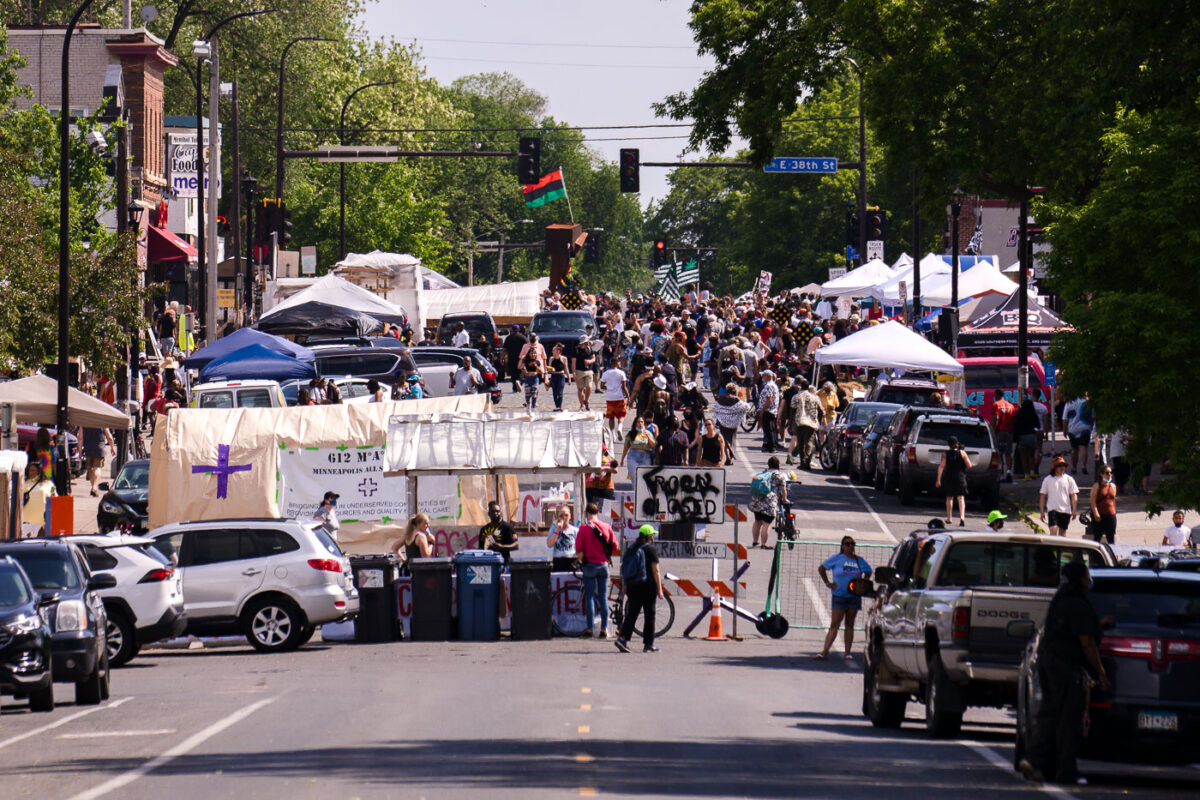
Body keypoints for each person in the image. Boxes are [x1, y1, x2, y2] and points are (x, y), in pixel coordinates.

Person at [1018, 560, 1108, 786]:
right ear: (1080, 579)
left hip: (1048, 664)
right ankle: (1066, 771)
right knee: (1070, 721)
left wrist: (1100, 623)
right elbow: (1086, 642)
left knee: (1049, 714)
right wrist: (1101, 672)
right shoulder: (1079, 604)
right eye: (1086, 576)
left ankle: (1033, 759)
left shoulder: (1060, 601)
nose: (1089, 580)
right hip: (1068, 669)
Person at [816, 536, 871, 660]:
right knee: (835, 624)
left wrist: (863, 582)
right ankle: (825, 651)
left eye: (852, 544)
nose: (850, 546)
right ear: (842, 546)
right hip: (839, 595)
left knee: (849, 624)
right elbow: (821, 568)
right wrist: (827, 582)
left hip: (854, 596)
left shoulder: (859, 560)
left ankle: (847, 653)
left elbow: (868, 571)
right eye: (847, 544)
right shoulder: (836, 558)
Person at [614, 524, 663, 654]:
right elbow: (656, 571)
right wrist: (660, 589)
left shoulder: (632, 548)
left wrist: (625, 584)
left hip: (632, 585)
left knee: (632, 613)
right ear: (650, 536)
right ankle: (648, 644)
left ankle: (622, 638)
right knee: (649, 614)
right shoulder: (651, 550)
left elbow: (625, 567)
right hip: (648, 586)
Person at [576, 502, 618, 638]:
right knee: (603, 597)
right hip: (603, 566)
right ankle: (604, 629)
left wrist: (581, 561)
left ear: (586, 514)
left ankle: (589, 628)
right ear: (597, 513)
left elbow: (579, 550)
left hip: (589, 566)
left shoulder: (583, 528)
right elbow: (615, 546)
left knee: (590, 597)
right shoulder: (606, 527)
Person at [748, 456, 789, 550]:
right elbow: (783, 490)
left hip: (756, 501)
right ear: (778, 465)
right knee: (766, 523)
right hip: (769, 502)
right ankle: (763, 544)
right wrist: (784, 499)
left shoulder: (762, 473)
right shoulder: (779, 475)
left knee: (757, 521)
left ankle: (755, 541)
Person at [712, 383, 753, 465]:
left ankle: (728, 456)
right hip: (733, 422)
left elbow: (716, 407)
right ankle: (731, 453)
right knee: (732, 439)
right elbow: (747, 407)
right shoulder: (736, 399)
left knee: (725, 439)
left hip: (722, 421)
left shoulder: (721, 398)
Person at [935, 435, 972, 527]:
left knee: (949, 498)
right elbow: (969, 465)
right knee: (961, 498)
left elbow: (941, 466)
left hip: (949, 477)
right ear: (957, 444)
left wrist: (938, 479)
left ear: (949, 445)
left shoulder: (945, 454)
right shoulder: (962, 453)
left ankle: (949, 518)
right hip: (960, 477)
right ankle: (962, 517)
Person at [1039, 457, 1079, 536]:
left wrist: (1074, 510)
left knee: (1062, 534)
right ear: (1055, 467)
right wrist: (1042, 511)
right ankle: (1052, 548)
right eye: (1059, 465)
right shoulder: (1047, 479)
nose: (1062, 467)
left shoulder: (1069, 479)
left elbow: (1074, 494)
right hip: (1052, 509)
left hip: (1065, 510)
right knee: (1053, 531)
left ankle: (1061, 548)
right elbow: (1042, 496)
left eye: (1064, 465)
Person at [790, 379, 822, 469]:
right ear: (808, 387)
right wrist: (818, 420)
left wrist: (791, 422)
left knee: (801, 443)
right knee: (809, 443)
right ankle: (807, 461)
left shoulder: (796, 397)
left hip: (800, 422)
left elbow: (792, 410)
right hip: (811, 423)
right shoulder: (814, 397)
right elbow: (820, 411)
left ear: (801, 386)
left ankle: (802, 462)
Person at [620, 415, 657, 485]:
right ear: (635, 423)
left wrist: (648, 436)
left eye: (641, 422)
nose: (640, 424)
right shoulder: (631, 434)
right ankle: (635, 492)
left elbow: (653, 445)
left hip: (645, 457)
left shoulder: (648, 433)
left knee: (645, 478)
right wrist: (622, 459)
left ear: (644, 423)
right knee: (634, 477)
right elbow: (626, 447)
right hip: (633, 456)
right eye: (638, 422)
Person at [21, 462, 55, 537]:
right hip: (26, 520)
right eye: (30, 470)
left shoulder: (49, 484)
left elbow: (54, 496)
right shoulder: (25, 483)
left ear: (39, 471)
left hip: (41, 520)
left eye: (33, 470)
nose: (31, 473)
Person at [1062, 395, 1094, 476]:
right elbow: (1092, 416)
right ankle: (1083, 466)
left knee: (1074, 449)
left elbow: (1065, 418)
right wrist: (1091, 425)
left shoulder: (1069, 403)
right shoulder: (1086, 402)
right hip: (1085, 428)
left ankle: (1074, 468)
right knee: (1083, 448)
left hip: (1072, 429)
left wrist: (1065, 430)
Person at [81, 426, 115, 497]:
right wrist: (112, 447)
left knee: (90, 468)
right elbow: (109, 437)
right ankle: (94, 487)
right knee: (97, 468)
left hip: (88, 449)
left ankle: (93, 486)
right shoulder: (102, 422)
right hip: (99, 449)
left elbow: (80, 437)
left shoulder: (85, 423)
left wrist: (79, 450)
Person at [990, 389, 1017, 481]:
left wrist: (992, 430)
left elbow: (995, 418)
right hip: (1009, 432)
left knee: (999, 453)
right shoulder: (1011, 406)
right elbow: (1014, 420)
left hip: (1000, 432)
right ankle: (1009, 471)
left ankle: (1001, 474)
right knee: (1008, 453)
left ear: (997, 395)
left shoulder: (996, 405)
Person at [600, 358, 630, 440]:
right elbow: (624, 387)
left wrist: (609, 388)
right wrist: (628, 397)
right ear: (616, 363)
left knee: (611, 416)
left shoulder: (606, 373)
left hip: (610, 398)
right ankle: (620, 427)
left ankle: (613, 433)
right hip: (619, 397)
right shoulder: (621, 373)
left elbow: (601, 385)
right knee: (621, 414)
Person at [1088, 463, 1117, 544]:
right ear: (1101, 474)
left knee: (1111, 538)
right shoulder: (1097, 486)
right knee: (1097, 537)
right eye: (1107, 473)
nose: (1109, 475)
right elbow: (1093, 501)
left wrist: (1114, 512)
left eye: (1111, 473)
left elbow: (1113, 500)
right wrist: (1096, 513)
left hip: (1111, 515)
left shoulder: (1113, 486)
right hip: (1100, 515)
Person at [545, 505, 578, 572]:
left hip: (571, 559)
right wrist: (557, 529)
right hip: (558, 560)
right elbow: (549, 544)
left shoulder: (575, 530)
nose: (564, 517)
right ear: (558, 517)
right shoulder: (553, 528)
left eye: (566, 515)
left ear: (570, 517)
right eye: (561, 515)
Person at [757, 370, 781, 452]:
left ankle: (772, 446)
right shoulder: (771, 385)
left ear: (768, 376)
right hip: (770, 409)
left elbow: (769, 399)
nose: (762, 377)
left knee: (769, 428)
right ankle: (769, 445)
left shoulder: (769, 386)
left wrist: (763, 409)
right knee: (769, 428)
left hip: (768, 410)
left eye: (764, 375)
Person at [572, 337, 597, 411]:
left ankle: (586, 400)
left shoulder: (589, 349)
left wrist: (589, 361)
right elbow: (573, 362)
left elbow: (593, 358)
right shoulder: (576, 350)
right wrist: (573, 372)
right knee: (580, 388)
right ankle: (582, 404)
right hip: (579, 370)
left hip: (588, 370)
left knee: (589, 387)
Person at [503, 324, 528, 392]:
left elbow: (504, 349)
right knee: (520, 372)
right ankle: (519, 382)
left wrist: (502, 358)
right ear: (519, 330)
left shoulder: (508, 338)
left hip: (511, 358)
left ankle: (514, 388)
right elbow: (528, 347)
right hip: (520, 358)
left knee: (513, 374)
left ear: (512, 330)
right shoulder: (523, 337)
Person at [546, 343, 569, 411]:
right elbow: (549, 368)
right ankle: (557, 406)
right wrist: (550, 369)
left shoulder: (563, 358)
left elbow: (566, 368)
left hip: (560, 376)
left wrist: (569, 378)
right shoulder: (551, 358)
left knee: (560, 391)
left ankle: (559, 406)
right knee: (554, 392)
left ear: (558, 351)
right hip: (554, 376)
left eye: (554, 350)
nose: (552, 351)